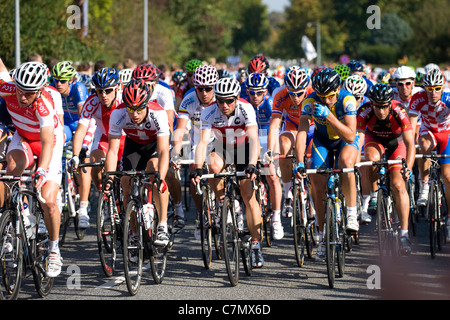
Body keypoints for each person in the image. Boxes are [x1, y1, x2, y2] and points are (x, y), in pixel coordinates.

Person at [0, 59, 64, 277]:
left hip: (50, 143)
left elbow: (47, 143)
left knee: (48, 201)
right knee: (11, 170)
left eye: (29, 93)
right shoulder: (7, 89)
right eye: (20, 90)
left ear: (40, 90)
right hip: (23, 138)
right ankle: (12, 223)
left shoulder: (44, 106)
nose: (23, 96)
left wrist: (43, 170)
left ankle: (54, 251)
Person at [191, 77, 264, 268]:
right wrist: (197, 168)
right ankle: (224, 202)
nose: (224, 105)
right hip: (223, 147)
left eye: (229, 100)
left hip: (244, 149)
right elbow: (203, 142)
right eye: (220, 100)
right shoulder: (208, 112)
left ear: (237, 98)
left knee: (248, 195)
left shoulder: (246, 108)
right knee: (212, 166)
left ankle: (255, 246)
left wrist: (252, 164)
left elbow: (255, 139)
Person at [294, 67, 360, 261]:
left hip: (344, 140)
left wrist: (329, 116)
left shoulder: (347, 100)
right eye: (321, 96)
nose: (325, 101)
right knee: (318, 186)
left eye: (330, 96)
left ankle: (351, 213)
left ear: (338, 89)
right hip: (322, 141)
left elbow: (349, 135)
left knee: (346, 162)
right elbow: (302, 132)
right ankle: (322, 237)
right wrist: (299, 162)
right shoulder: (310, 102)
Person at [104, 79, 171, 246]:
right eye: (130, 109)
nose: (134, 114)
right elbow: (112, 151)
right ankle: (133, 233)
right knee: (125, 181)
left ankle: (162, 226)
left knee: (153, 171)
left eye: (139, 109)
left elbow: (163, 151)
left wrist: (161, 178)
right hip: (133, 145)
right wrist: (109, 178)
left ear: (147, 104)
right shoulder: (118, 114)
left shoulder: (158, 114)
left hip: (154, 145)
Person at [357, 83, 416, 255]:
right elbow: (358, 140)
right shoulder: (365, 111)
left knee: (398, 185)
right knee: (371, 159)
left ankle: (404, 234)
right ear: (371, 103)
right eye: (377, 106)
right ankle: (375, 194)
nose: (381, 111)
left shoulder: (400, 111)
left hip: (396, 142)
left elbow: (410, 144)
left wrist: (409, 168)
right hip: (374, 139)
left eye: (384, 107)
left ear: (390, 103)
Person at [71, 68, 125, 228]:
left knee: (125, 176)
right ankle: (106, 197)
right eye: (99, 91)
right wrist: (75, 155)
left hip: (125, 139)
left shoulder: (123, 99)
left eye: (108, 91)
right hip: (105, 138)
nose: (104, 95)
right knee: (94, 164)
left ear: (117, 87)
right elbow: (81, 131)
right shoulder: (92, 102)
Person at [172, 64, 219, 239]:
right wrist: (176, 153)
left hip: (219, 138)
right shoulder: (189, 99)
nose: (204, 93)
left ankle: (223, 205)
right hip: (198, 139)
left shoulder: (221, 99)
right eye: (200, 88)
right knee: (194, 176)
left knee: (217, 169)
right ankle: (201, 215)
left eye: (208, 89)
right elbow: (180, 129)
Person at [50, 61, 93, 228]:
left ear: (71, 80)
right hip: (65, 125)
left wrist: (80, 143)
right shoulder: (53, 88)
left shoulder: (79, 88)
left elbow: (84, 118)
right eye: (56, 80)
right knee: (56, 147)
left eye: (62, 80)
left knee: (84, 161)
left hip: (80, 124)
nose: (58, 83)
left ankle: (83, 207)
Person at [408, 69, 450, 240]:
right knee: (422, 145)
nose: (433, 92)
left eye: (437, 88)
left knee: (447, 177)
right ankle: (424, 185)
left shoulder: (448, 98)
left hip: (447, 134)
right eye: (429, 88)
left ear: (443, 87)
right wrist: (409, 146)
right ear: (424, 88)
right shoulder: (417, 98)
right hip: (428, 132)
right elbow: (410, 127)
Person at [268, 67, 313, 219]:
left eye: (299, 93)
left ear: (306, 88)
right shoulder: (280, 95)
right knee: (284, 146)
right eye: (291, 93)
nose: (295, 97)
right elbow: (274, 125)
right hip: (292, 125)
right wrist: (269, 151)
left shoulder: (313, 94)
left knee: (312, 157)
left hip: (313, 127)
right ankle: (288, 193)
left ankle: (313, 189)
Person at [245, 72, 284, 240]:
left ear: (266, 91)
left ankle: (276, 218)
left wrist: (271, 152)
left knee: (272, 176)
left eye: (259, 92)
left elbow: (275, 131)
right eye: (252, 92)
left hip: (270, 139)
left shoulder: (270, 103)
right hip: (251, 140)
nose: (255, 96)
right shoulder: (244, 105)